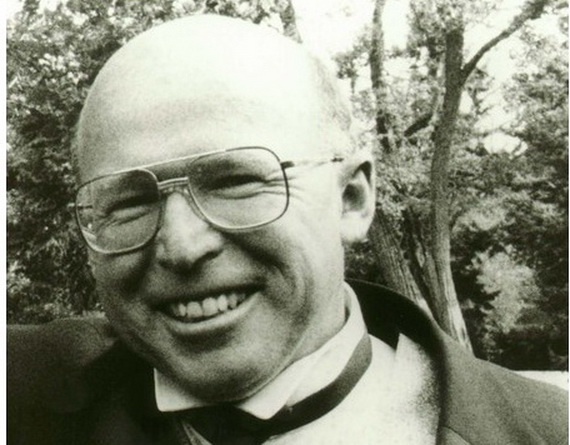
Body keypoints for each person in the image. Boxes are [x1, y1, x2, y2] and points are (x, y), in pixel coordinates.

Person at [7, 14, 567, 445]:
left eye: (235, 181)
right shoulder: (24, 401)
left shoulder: (540, 433)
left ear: (351, 199)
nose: (182, 245)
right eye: (129, 202)